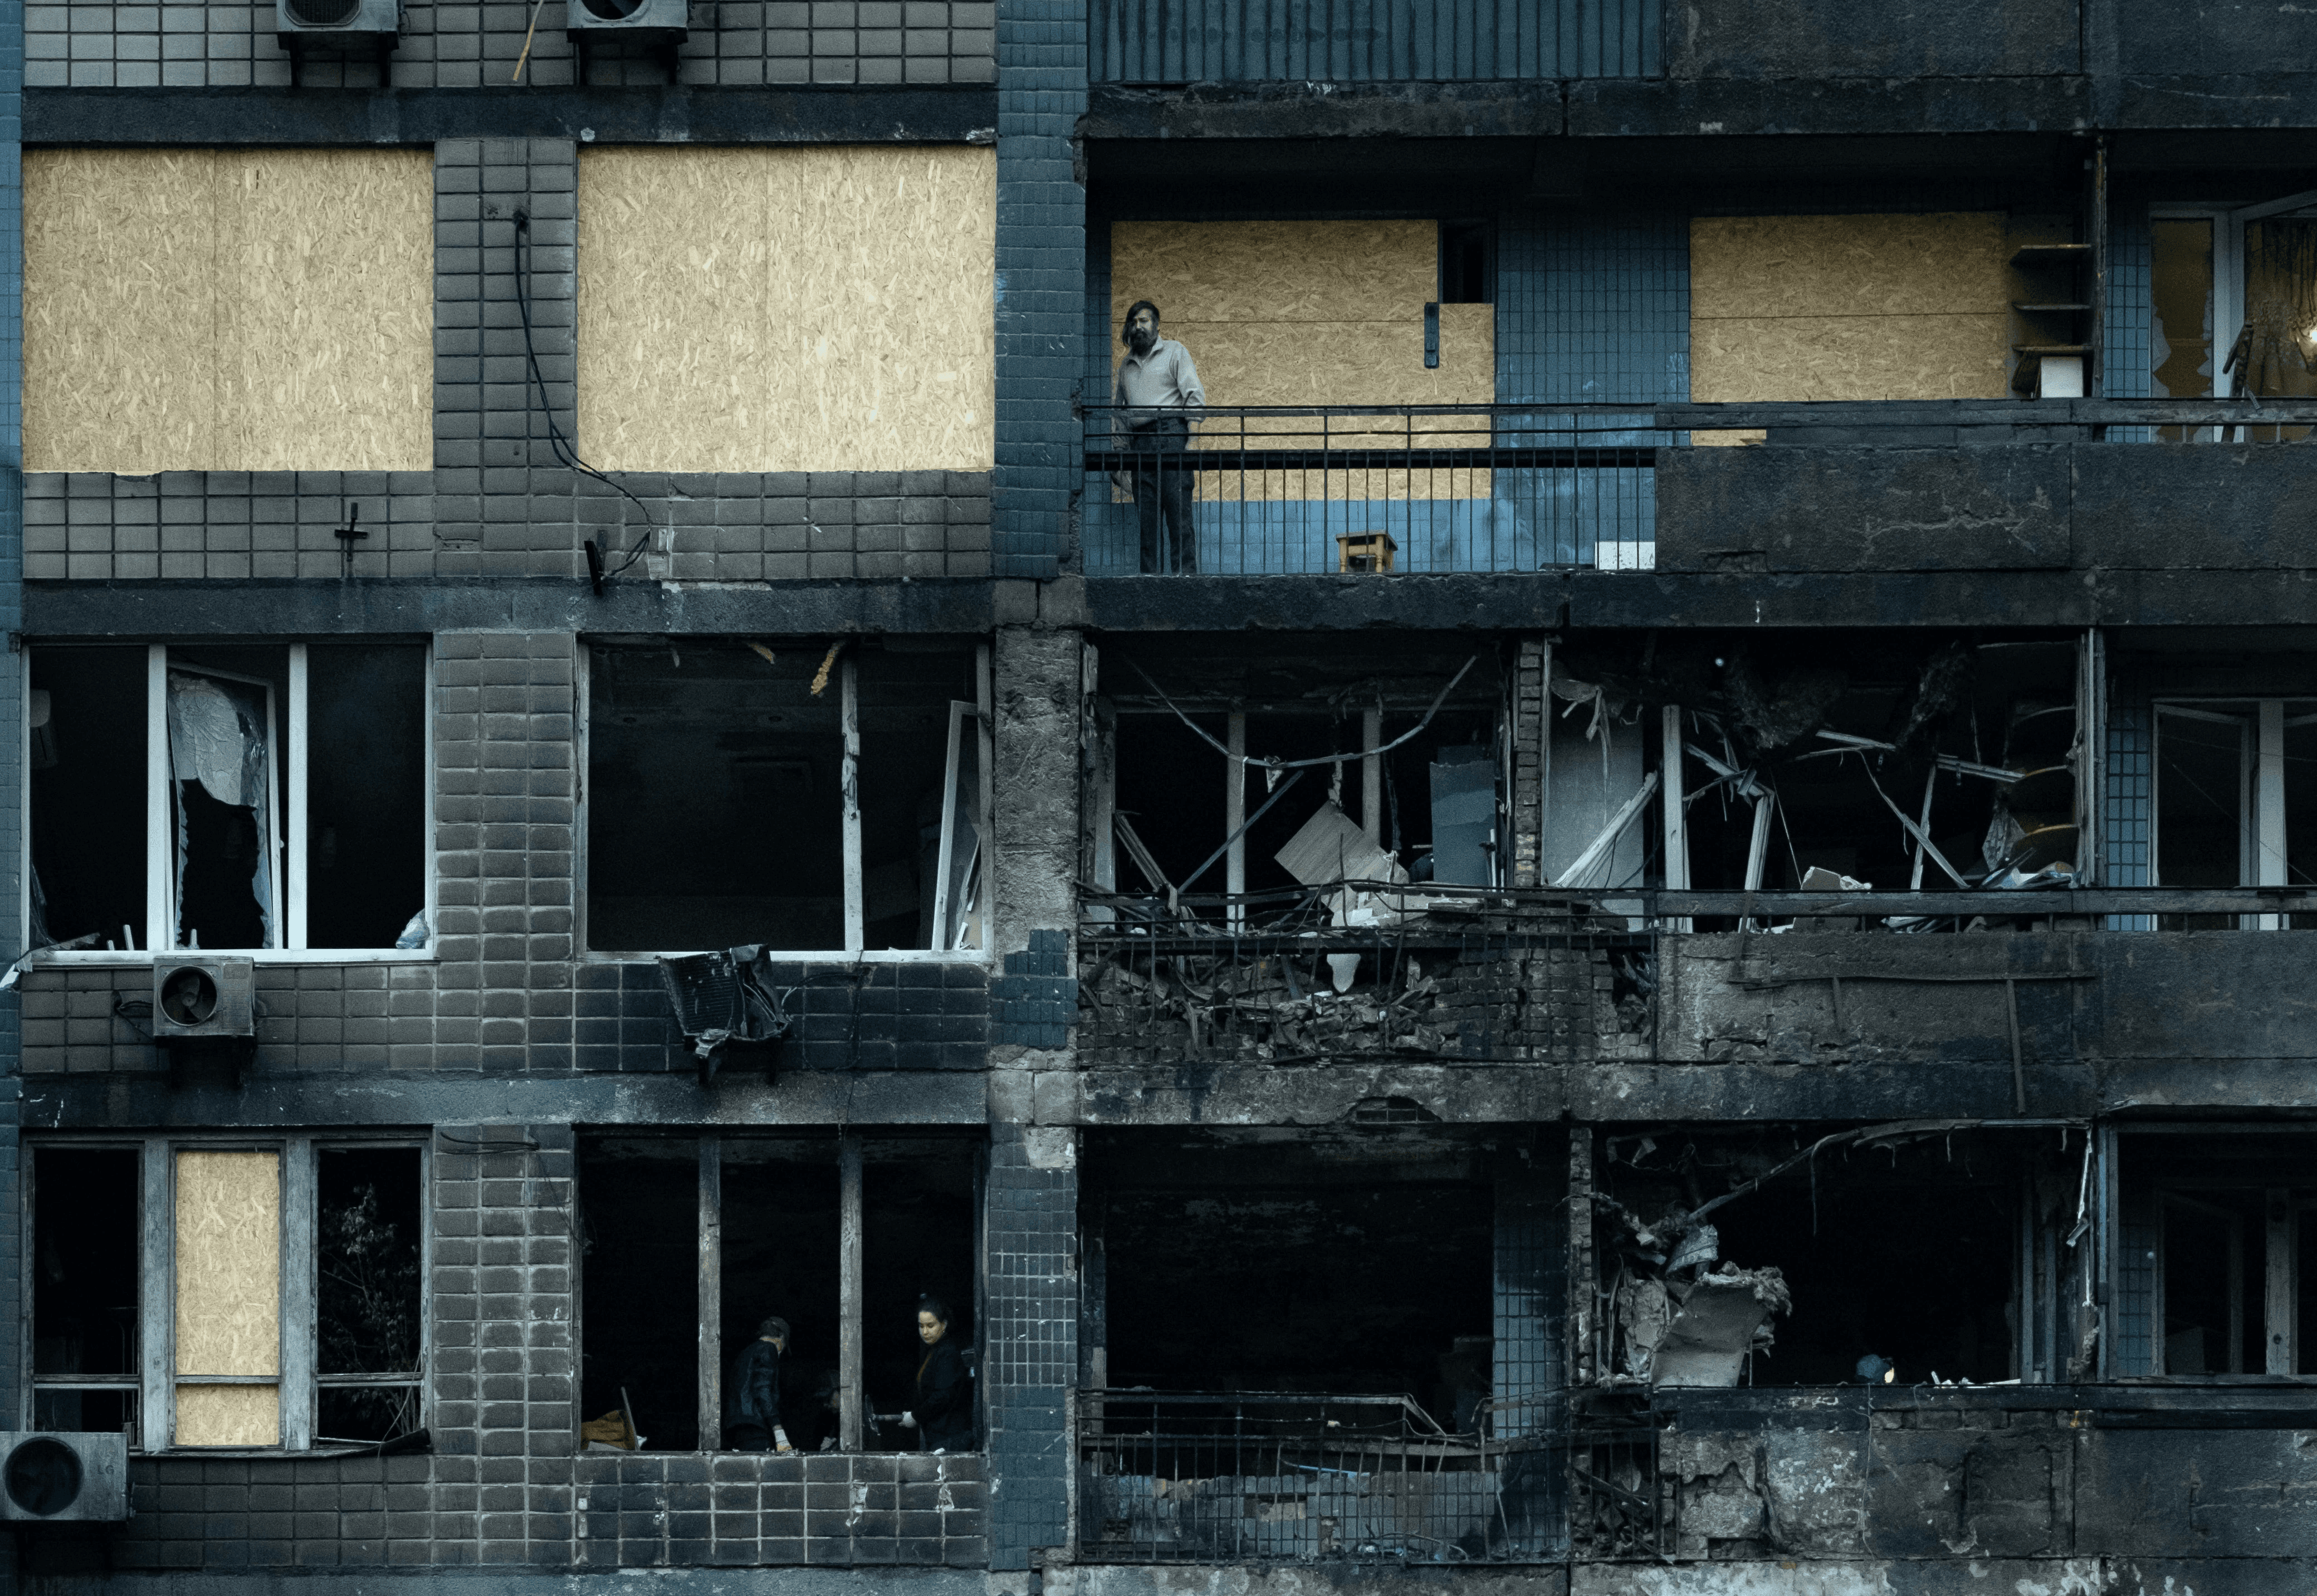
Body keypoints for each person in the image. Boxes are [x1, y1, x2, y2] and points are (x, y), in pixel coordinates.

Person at [1114, 300, 1206, 576]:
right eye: (1134, 322)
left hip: (1172, 437)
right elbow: (1120, 414)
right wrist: (1119, 457)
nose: (1138, 327)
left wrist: (1193, 439)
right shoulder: (1126, 366)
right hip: (1140, 445)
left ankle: (1186, 580)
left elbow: (1194, 395)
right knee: (1148, 524)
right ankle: (1149, 584)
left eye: (1144, 321)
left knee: (1180, 518)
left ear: (1157, 326)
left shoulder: (1175, 352)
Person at [897, 1294, 974, 1452]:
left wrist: (916, 1416)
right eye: (921, 1326)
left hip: (950, 1438)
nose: (925, 1332)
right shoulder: (935, 1350)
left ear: (944, 1325)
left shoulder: (948, 1353)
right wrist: (913, 1414)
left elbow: (943, 1396)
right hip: (940, 1437)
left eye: (930, 1326)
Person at [725, 1315, 794, 1453]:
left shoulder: (746, 1353)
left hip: (737, 1425)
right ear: (781, 1337)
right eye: (784, 1344)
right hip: (755, 1425)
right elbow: (763, 1389)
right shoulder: (769, 1348)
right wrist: (778, 1429)